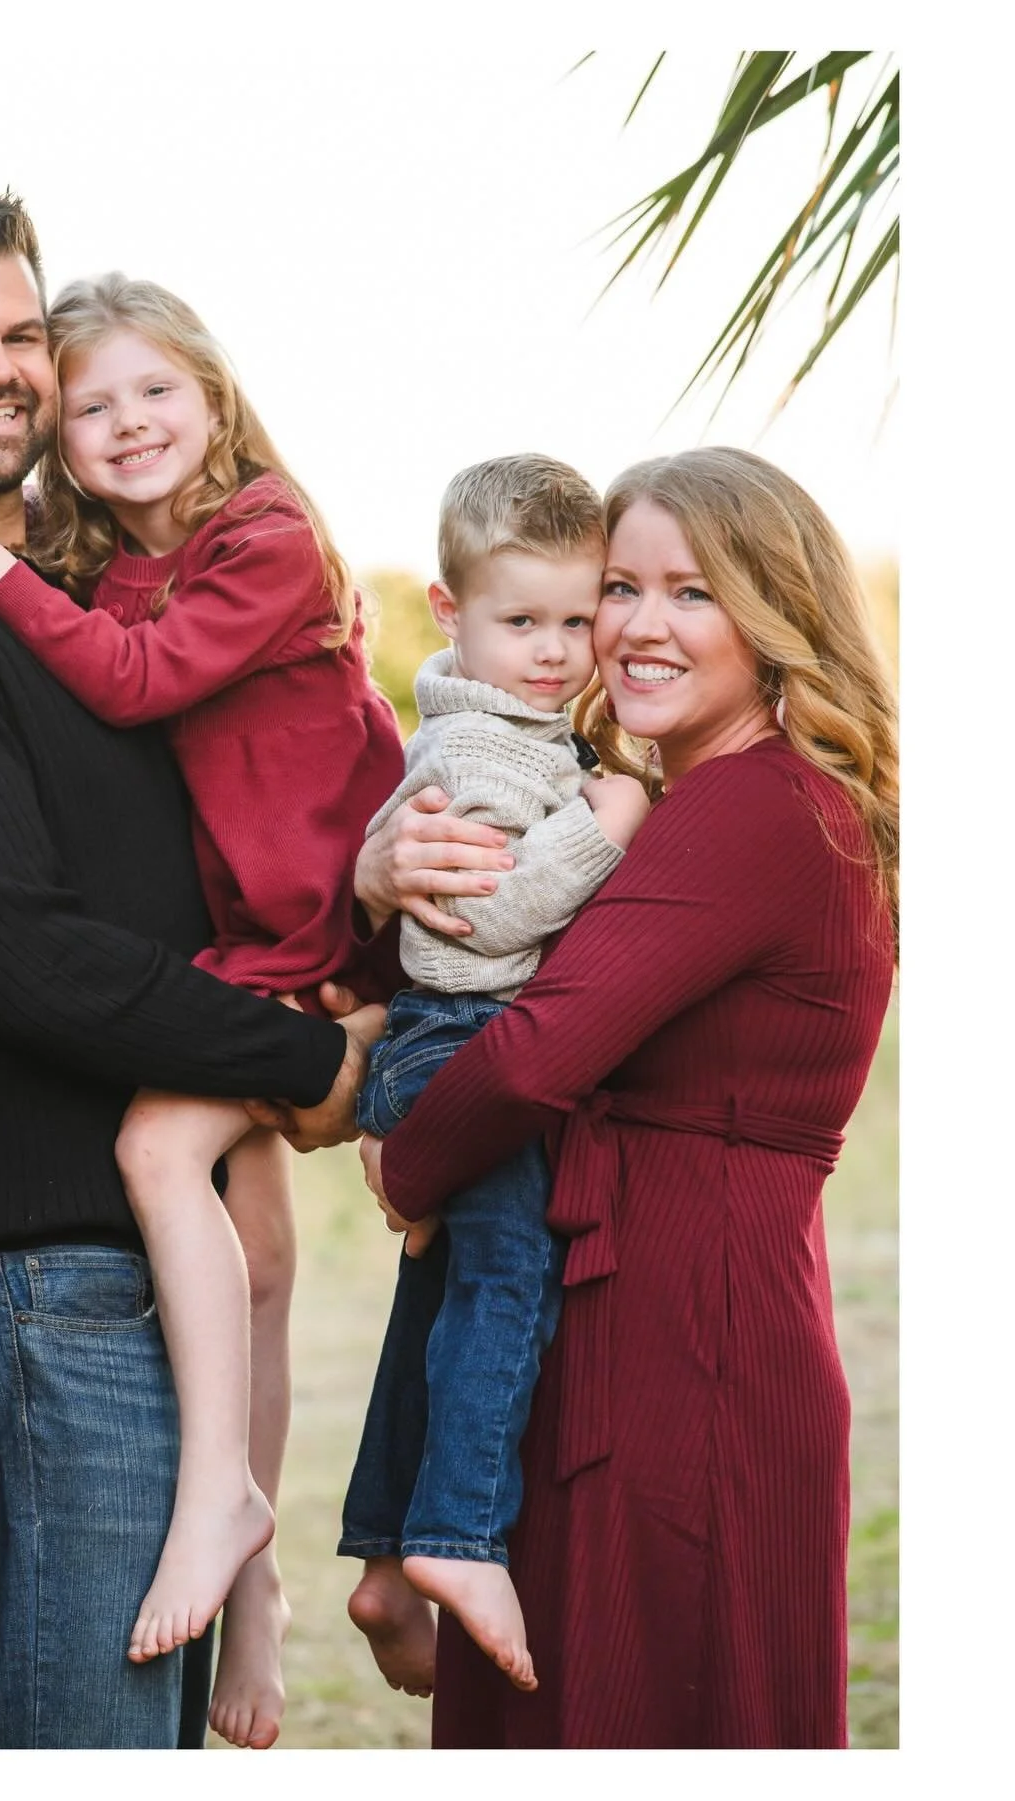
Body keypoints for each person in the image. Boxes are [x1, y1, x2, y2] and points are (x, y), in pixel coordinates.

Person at [0, 173, 380, 1752]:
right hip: (25, 1294)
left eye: (19, 333)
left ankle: (256, 1579)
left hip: (111, 1289)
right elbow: (29, 959)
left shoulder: (73, 581)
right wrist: (311, 1063)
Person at [338, 446, 898, 1746]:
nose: (637, 629)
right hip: (629, 1303)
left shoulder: (753, 809)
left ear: (774, 617)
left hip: (686, 1332)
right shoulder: (676, 795)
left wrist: (407, 1163)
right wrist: (378, 874)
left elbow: (531, 1051)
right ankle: (391, 1547)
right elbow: (460, 970)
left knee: (654, 1701)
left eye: (690, 593)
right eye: (618, 592)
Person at [335, 454, 650, 1694]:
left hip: (446, 1045)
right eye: (525, 621)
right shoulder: (484, 756)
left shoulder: (518, 728)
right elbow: (480, 922)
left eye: (581, 618)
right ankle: (459, 1536)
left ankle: (381, 1540)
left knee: (450, 1292)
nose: (562, 649)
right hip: (455, 1043)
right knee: (513, 1272)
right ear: (447, 611)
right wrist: (607, 825)